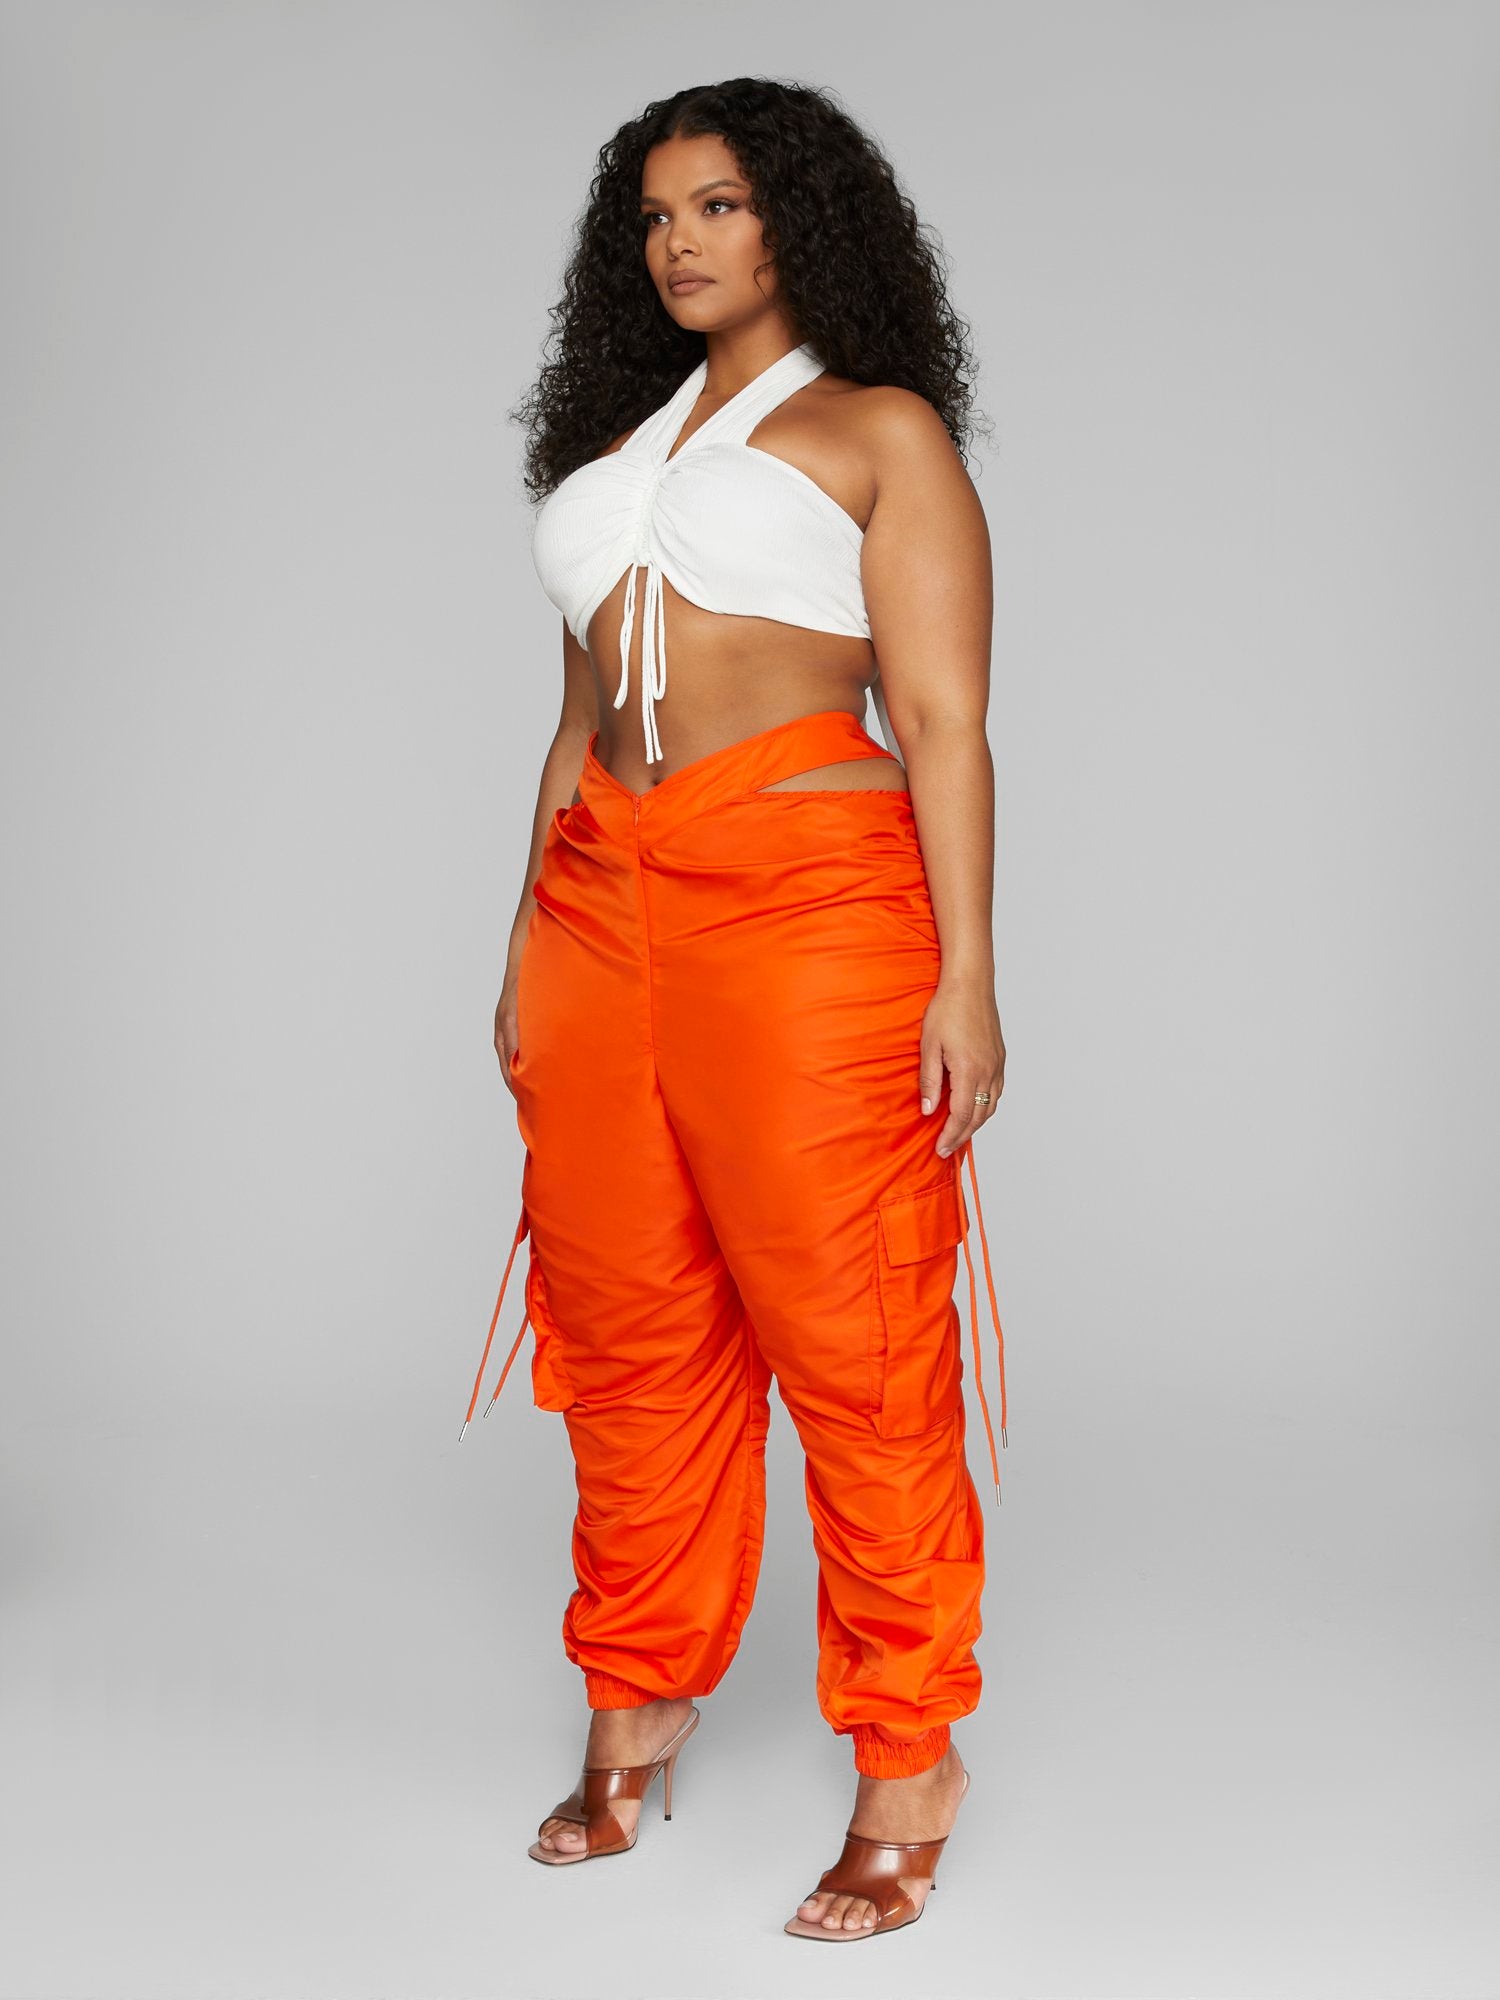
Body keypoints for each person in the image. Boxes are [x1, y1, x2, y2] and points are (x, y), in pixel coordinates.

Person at [461, 76, 1009, 1943]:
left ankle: (908, 1756)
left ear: (802, 221)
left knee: (855, 1330)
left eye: (719, 205)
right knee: (625, 1319)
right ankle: (641, 1693)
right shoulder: (615, 453)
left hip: (804, 893)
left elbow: (942, 719)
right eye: (654, 215)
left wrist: (969, 976)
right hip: (598, 903)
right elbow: (572, 723)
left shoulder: (878, 431)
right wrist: (520, 934)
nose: (680, 241)